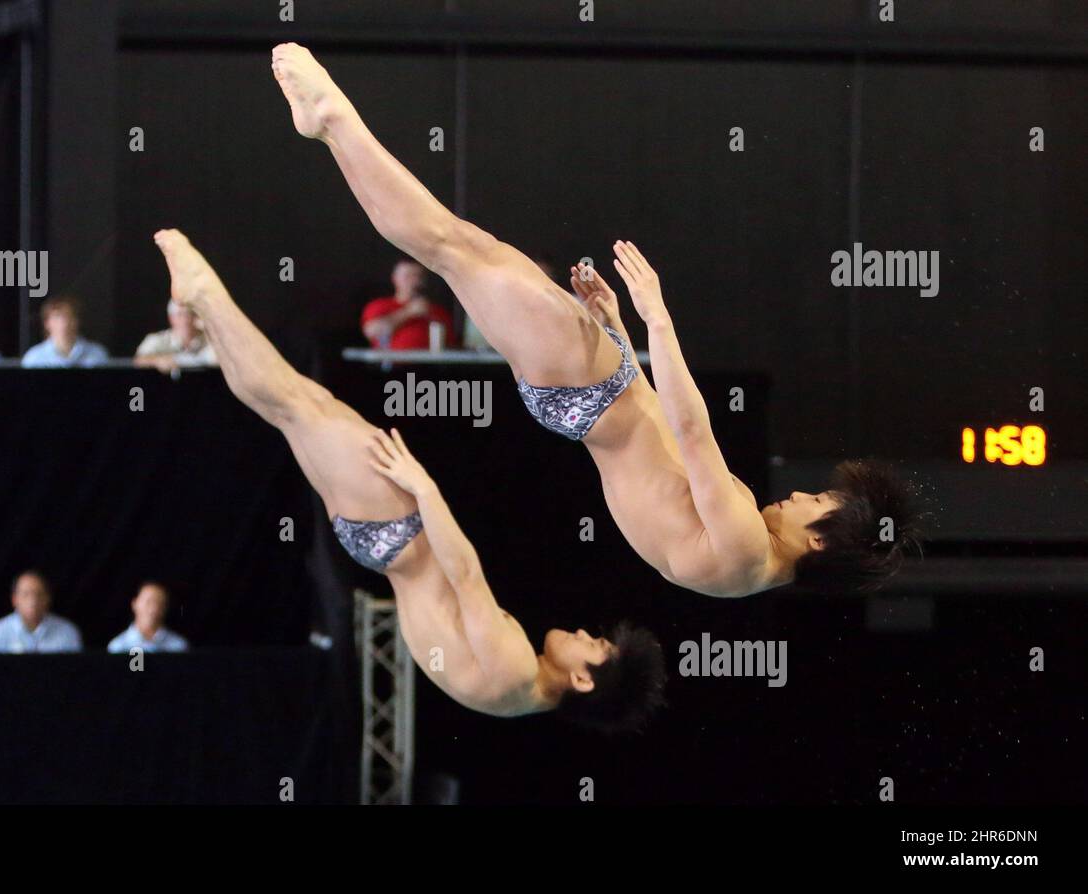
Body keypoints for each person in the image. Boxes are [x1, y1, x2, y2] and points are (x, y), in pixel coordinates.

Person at [270, 43, 921, 598]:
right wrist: (623, 338)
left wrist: (657, 316)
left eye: (815, 504)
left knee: (448, 246)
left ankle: (330, 120)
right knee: (461, 248)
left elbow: (691, 432)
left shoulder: (749, 550)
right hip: (596, 393)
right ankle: (330, 123)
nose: (800, 498)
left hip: (592, 393)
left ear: (817, 538)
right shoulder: (742, 557)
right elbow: (660, 442)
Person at [154, 228, 664, 730]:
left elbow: (465, 573)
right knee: (287, 408)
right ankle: (204, 312)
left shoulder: (513, 671)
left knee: (294, 401)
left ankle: (202, 293)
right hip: (378, 548)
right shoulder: (513, 695)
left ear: (583, 680)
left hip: (398, 526)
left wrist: (421, 487)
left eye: (591, 644)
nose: (581, 631)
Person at [361, 258, 455, 350]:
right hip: (393, 363)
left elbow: (450, 342)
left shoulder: (436, 310)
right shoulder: (379, 306)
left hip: (431, 364)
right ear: (395, 278)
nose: (414, 281)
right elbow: (372, 332)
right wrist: (408, 312)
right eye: (407, 276)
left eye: (419, 276)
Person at [0, 571, 83, 653]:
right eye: (26, 595)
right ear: (14, 599)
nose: (33, 601)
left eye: (39, 594)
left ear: (48, 598)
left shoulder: (67, 632)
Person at [21, 296, 109, 368]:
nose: (64, 323)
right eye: (57, 317)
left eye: (69, 317)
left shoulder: (98, 354)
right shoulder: (34, 357)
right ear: (47, 323)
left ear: (77, 321)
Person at [133, 299, 217, 374]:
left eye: (190, 314)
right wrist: (157, 361)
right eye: (180, 315)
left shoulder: (209, 340)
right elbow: (138, 361)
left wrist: (208, 330)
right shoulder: (158, 340)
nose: (185, 320)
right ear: (171, 318)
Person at [107, 582, 189, 653]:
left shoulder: (178, 646)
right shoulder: (119, 646)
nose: (154, 608)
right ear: (135, 604)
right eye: (148, 602)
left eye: (160, 603)